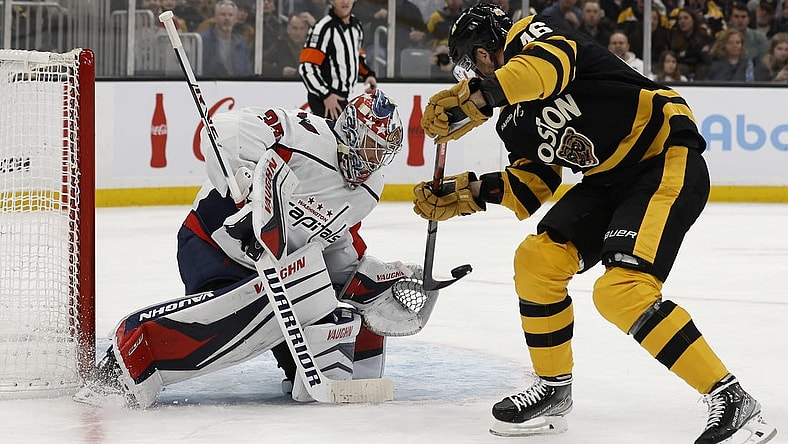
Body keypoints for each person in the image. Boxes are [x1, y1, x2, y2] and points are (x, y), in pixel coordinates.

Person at [415, 4, 777, 443]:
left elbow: (551, 66)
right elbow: (532, 185)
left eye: (469, 65)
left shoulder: (531, 33)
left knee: (621, 291)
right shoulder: (511, 120)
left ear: (483, 54)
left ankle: (732, 397)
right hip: (606, 180)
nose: (469, 75)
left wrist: (480, 96)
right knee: (537, 260)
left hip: (660, 157)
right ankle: (553, 389)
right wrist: (465, 193)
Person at [73, 89, 434, 409]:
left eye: (382, 152)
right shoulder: (302, 133)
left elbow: (335, 240)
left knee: (312, 356)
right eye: (369, 145)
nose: (372, 160)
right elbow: (224, 131)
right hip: (213, 244)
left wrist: (366, 278)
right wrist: (245, 189)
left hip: (272, 270)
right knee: (227, 318)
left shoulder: (369, 189)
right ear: (350, 131)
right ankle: (127, 355)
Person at [299, 0, 377, 119]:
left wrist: (367, 74)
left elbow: (356, 56)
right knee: (336, 136)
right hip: (325, 99)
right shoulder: (323, 28)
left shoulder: (356, 26)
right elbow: (307, 66)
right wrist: (325, 95)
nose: (345, 2)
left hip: (342, 96)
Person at [200, 0, 253, 77]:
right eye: (223, 14)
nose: (227, 18)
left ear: (235, 19)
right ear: (215, 18)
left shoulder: (241, 43)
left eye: (230, 15)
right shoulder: (204, 40)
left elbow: (247, 71)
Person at [667, 7, 713, 79]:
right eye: (680, 19)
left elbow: (705, 56)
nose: (682, 21)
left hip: (700, 67)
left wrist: (687, 53)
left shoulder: (703, 35)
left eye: (686, 18)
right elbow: (674, 56)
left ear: (693, 20)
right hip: (681, 68)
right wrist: (696, 53)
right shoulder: (673, 36)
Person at [263, 13, 310, 78]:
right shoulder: (280, 46)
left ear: (306, 30)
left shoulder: (311, 48)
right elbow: (261, 64)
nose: (298, 33)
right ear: (288, 29)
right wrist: (280, 71)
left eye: (301, 28)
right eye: (294, 28)